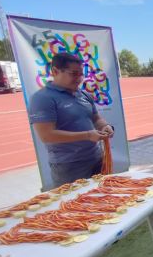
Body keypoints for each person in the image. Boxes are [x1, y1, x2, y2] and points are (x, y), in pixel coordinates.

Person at [29, 53, 114, 188]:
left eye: (81, 74)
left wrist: (105, 126)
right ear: (55, 71)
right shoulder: (42, 98)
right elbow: (46, 135)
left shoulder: (83, 94)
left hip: (96, 158)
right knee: (76, 205)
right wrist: (87, 135)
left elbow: (96, 118)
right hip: (69, 166)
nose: (79, 79)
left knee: (103, 199)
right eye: (74, 74)